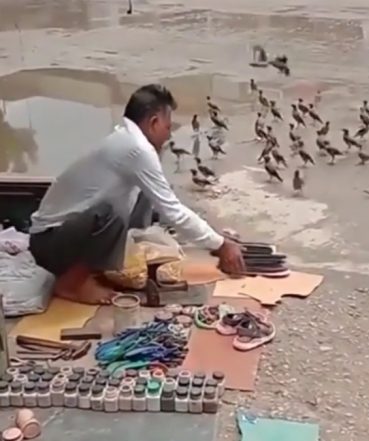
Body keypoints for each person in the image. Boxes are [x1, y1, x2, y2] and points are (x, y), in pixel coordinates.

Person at [28, 84, 245, 305]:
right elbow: (173, 211)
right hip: (48, 243)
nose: (169, 135)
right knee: (110, 212)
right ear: (153, 123)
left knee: (143, 196)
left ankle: (96, 266)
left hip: (63, 235)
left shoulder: (125, 138)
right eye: (168, 128)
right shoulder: (137, 149)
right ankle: (72, 284)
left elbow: (161, 203)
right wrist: (220, 244)